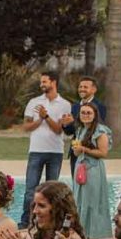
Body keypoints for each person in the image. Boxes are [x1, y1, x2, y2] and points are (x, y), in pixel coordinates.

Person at [20, 70, 71, 230]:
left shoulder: (65, 104)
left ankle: (51, 222)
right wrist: (40, 119)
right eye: (41, 82)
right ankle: (26, 222)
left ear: (53, 82)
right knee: (30, 189)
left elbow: (58, 130)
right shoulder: (33, 102)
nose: (41, 85)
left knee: (52, 190)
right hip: (36, 150)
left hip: (55, 152)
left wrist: (46, 117)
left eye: (44, 82)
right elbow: (26, 126)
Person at [71, 101, 113, 239]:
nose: (85, 115)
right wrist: (77, 150)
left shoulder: (101, 131)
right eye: (83, 112)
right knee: (81, 202)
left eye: (89, 113)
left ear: (95, 115)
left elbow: (103, 153)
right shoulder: (81, 129)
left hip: (94, 171)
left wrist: (84, 149)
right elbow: (78, 152)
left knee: (93, 203)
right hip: (81, 169)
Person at [61, 75, 107, 176]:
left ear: (94, 89)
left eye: (85, 87)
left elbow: (97, 127)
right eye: (80, 87)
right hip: (75, 152)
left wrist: (74, 121)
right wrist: (65, 124)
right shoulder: (75, 106)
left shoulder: (100, 106)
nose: (82, 89)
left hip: (91, 152)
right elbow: (70, 131)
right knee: (76, 184)